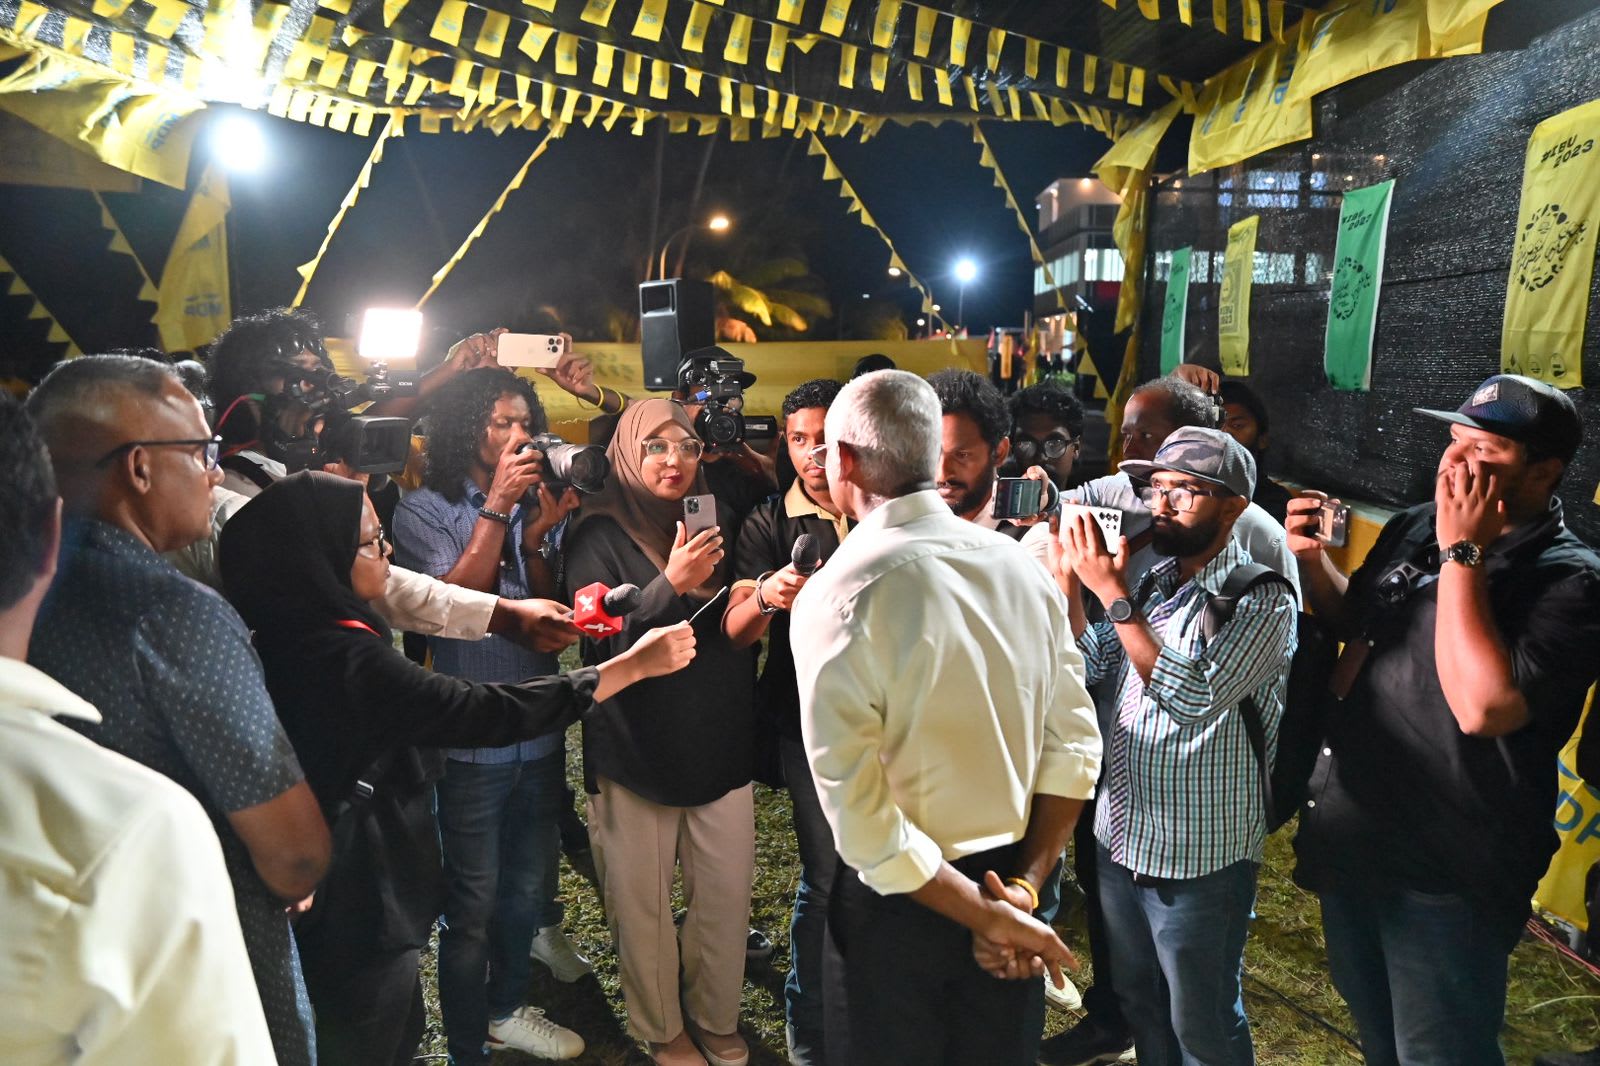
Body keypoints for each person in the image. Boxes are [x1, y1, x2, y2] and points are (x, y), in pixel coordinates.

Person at [219, 471, 692, 1066]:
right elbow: (476, 710)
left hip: (358, 888)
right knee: (369, 1030)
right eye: (370, 542)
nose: (387, 553)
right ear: (319, 558)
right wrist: (627, 668)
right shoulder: (338, 656)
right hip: (357, 897)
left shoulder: (299, 629)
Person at [24, 355, 332, 1066]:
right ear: (138, 467)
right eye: (201, 451)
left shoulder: (26, 585)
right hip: (196, 962)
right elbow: (295, 854)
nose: (215, 474)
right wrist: (292, 873)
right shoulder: (172, 612)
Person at [790, 370, 1102, 1066]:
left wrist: (991, 913)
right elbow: (1076, 745)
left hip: (901, 908)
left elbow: (865, 825)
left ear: (844, 460)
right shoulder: (1020, 568)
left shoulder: (840, 593)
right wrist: (1020, 893)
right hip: (1010, 882)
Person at [1288, 374, 1600, 1066]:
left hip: (1448, 868)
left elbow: (1484, 707)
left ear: (1544, 472)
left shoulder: (1570, 579)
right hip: (1358, 831)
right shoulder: (1414, 526)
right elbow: (1359, 624)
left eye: (1483, 451)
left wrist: (1464, 553)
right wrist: (1312, 564)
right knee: (1376, 1031)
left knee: (1440, 1050)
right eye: (1454, 441)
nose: (1453, 462)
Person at [1031, 372, 1298, 1066]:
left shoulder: (1259, 595)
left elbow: (1189, 694)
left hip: (1198, 852)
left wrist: (1113, 596)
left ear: (1235, 506)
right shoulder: (1157, 580)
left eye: (1187, 490)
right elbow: (1091, 665)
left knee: (1201, 1018)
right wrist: (1071, 587)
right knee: (1141, 1002)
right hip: (1121, 836)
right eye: (1158, 488)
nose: (1164, 504)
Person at [188, 308, 591, 657]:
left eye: (318, 372)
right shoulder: (234, 492)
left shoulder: (328, 464)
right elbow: (384, 588)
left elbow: (373, 427)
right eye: (298, 375)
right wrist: (502, 614)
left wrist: (456, 368)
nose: (314, 387)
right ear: (249, 391)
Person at [391, 368, 589, 1063]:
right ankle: (467, 1042)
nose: (516, 436)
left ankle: (506, 1010)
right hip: (471, 741)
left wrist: (536, 539)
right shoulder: (423, 509)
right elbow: (451, 612)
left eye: (524, 423)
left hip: (535, 731)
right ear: (465, 427)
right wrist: (498, 506)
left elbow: (546, 608)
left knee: (525, 890)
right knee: (470, 905)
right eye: (500, 422)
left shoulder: (539, 496)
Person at [564, 397, 757, 1066]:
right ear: (627, 452)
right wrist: (668, 584)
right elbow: (594, 639)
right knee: (640, 905)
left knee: (724, 896)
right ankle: (662, 1027)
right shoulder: (597, 533)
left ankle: (715, 1014)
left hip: (719, 735)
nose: (674, 461)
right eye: (656, 446)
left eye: (687, 446)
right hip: (634, 747)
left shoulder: (719, 517)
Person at [722, 378, 850, 1066]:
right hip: (807, 721)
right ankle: (812, 1027)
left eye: (825, 438)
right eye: (798, 439)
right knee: (826, 873)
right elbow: (736, 629)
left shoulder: (885, 508)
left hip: (894, 717)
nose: (812, 454)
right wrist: (768, 595)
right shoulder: (770, 520)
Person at [926, 368, 1023, 534]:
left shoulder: (1032, 538)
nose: (942, 475)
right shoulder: (916, 528)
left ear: (999, 452)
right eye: (933, 454)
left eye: (961, 455)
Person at [1217, 380, 1293, 524]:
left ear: (1262, 439)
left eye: (1237, 425)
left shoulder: (1276, 503)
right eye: (1216, 426)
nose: (1224, 434)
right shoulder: (1190, 495)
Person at [1008, 379, 1084, 491]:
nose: (1040, 458)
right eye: (1026, 445)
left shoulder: (1094, 499)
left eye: (1054, 444)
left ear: (1076, 448)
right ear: (1011, 449)